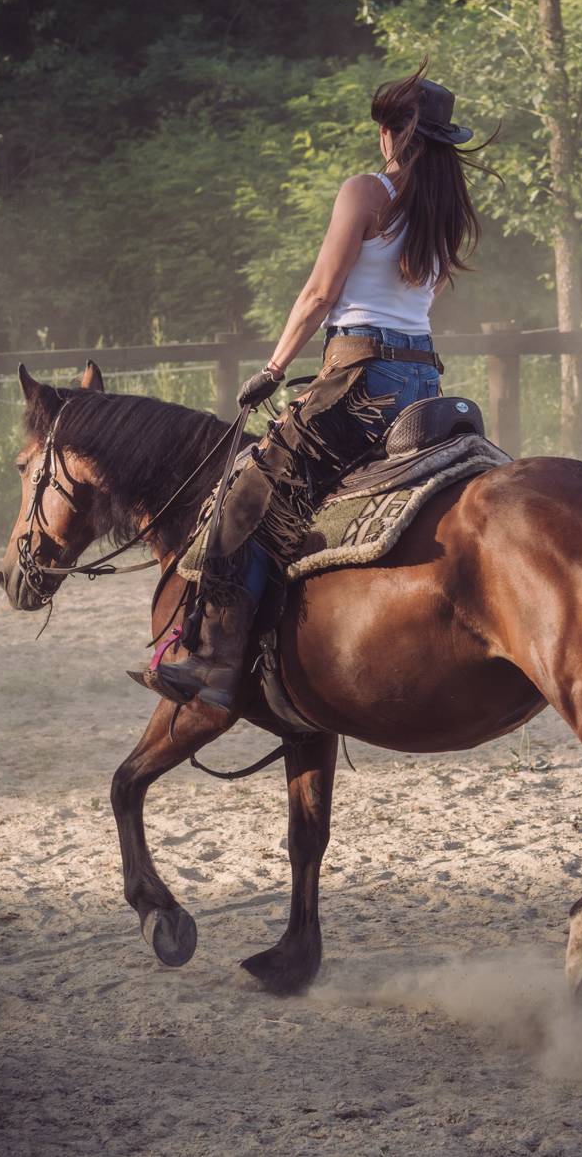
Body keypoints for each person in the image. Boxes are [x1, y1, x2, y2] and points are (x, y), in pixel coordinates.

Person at [133, 67, 489, 710]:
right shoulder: (448, 212)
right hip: (423, 380)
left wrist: (273, 369)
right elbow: (420, 299)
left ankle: (213, 658)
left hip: (361, 377)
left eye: (385, 126)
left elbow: (322, 293)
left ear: (393, 136)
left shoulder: (366, 191)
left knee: (248, 490)